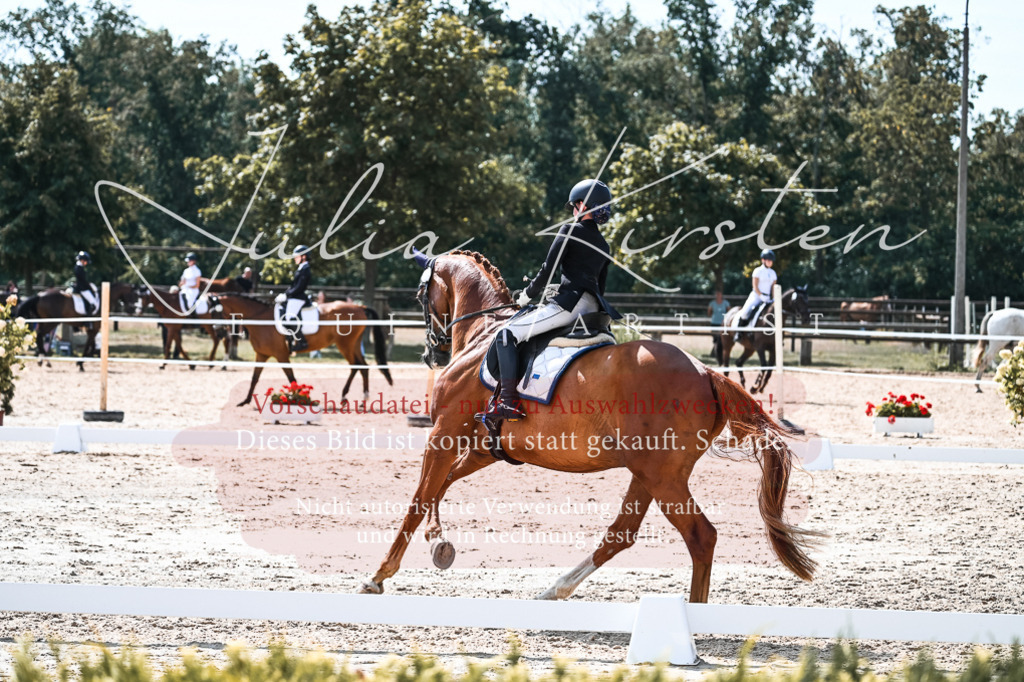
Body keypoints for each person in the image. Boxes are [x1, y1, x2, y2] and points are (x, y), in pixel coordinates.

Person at [477, 179, 622, 425]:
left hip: (569, 305)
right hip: (593, 309)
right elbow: (601, 285)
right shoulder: (604, 244)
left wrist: (526, 295)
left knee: (506, 334)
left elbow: (547, 270)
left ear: (580, 204)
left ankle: (509, 401)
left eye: (574, 205)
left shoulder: (569, 230)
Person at [733, 249, 777, 342]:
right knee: (745, 312)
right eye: (768, 260)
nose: (770, 262)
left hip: (768, 298)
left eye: (771, 260)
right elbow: (755, 286)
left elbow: (773, 288)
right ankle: (738, 333)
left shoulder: (773, 273)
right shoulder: (758, 271)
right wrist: (761, 296)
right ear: (763, 260)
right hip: (756, 296)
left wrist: (773, 299)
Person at [276, 245, 313, 352]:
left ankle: (302, 342)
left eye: (296, 256)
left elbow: (299, 287)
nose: (294, 258)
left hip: (298, 297)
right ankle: (290, 340)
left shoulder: (306, 269)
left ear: (304, 257)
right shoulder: (301, 268)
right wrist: (284, 294)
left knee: (289, 318)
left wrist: (287, 295)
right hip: (294, 296)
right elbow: (293, 286)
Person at [707, 289, 730, 363]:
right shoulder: (712, 303)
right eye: (717, 294)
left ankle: (721, 354)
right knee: (715, 339)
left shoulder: (726, 303)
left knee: (722, 339)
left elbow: (729, 312)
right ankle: (717, 354)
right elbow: (709, 312)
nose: (718, 296)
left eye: (719, 294)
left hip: (723, 323)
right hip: (714, 323)